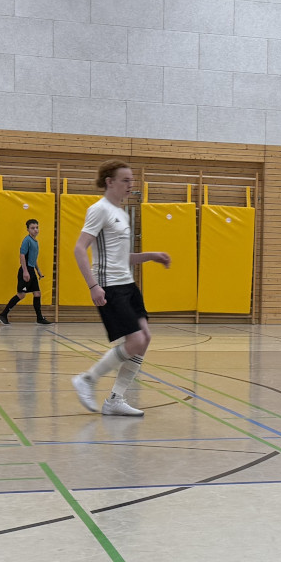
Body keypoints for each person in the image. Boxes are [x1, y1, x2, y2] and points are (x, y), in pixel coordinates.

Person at [70, 160, 171, 416]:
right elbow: (79, 248)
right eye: (125, 180)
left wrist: (149, 255)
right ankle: (88, 379)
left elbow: (120, 257)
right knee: (135, 340)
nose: (131, 185)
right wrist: (93, 285)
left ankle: (115, 399)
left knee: (144, 339)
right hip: (109, 285)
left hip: (128, 284)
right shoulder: (99, 209)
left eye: (131, 180)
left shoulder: (122, 214)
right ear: (110, 182)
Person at [0, 219, 51, 325]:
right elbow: (22, 256)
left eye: (37, 227)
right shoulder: (27, 240)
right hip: (26, 270)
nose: (35, 230)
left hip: (31, 270)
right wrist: (25, 271)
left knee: (37, 293)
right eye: (32, 228)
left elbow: (33, 258)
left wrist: (38, 270)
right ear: (28, 229)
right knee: (21, 295)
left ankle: (39, 318)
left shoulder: (35, 242)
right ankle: (3, 314)